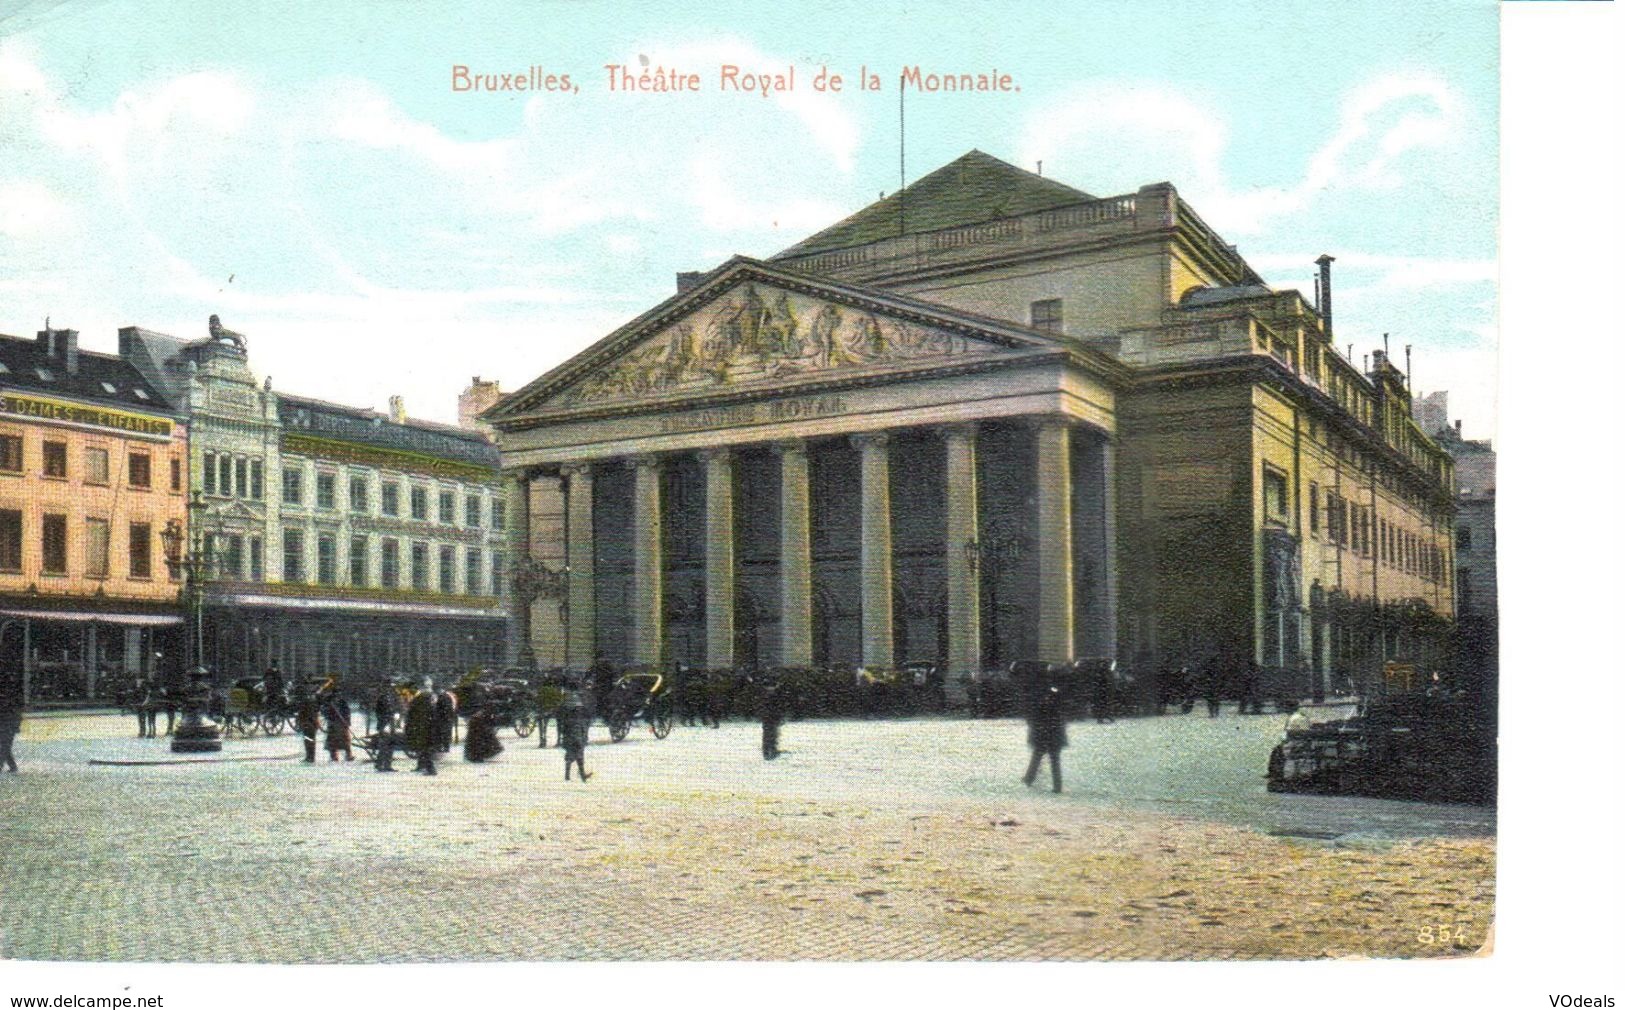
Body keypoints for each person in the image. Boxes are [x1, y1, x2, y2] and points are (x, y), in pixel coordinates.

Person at [1022, 666, 1068, 793]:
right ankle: (1055, 785)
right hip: (1054, 731)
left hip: (1045, 730)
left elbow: (1038, 710)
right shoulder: (1057, 690)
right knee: (1052, 759)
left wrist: (1034, 721)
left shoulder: (1044, 691)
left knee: (1039, 755)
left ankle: (1030, 778)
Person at [559, 683, 592, 782]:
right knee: (579, 755)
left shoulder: (567, 699)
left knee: (571, 755)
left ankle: (569, 775)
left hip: (570, 735)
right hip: (576, 736)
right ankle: (580, 775)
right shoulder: (577, 704)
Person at [406, 679, 439, 775]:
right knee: (423, 747)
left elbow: (412, 713)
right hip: (426, 726)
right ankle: (421, 765)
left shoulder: (421, 698)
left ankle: (431, 769)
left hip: (422, 727)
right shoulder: (430, 698)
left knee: (424, 748)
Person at [0, 670, 24, 773]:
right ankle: (12, 766)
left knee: (5, 745)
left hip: (8, 722)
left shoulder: (8, 699)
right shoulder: (11, 697)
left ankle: (3, 766)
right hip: (9, 722)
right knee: (5, 745)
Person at [321, 689, 354, 761]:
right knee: (332, 742)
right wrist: (330, 714)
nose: (338, 697)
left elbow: (347, 712)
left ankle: (349, 755)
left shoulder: (343, 702)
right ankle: (334, 756)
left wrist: (347, 722)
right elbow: (324, 712)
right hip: (333, 723)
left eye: (339, 695)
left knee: (345, 741)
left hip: (342, 723)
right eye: (336, 695)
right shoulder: (328, 703)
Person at [294, 682, 322, 763]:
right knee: (310, 741)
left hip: (308, 724)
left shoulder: (304, 702)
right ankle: (310, 756)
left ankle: (310, 757)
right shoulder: (310, 700)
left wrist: (301, 723)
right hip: (311, 723)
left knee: (308, 741)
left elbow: (303, 714)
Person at [759, 679, 785, 760]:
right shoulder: (774, 696)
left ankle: (767, 751)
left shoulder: (763, 695)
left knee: (768, 735)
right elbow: (778, 708)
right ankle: (771, 751)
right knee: (772, 735)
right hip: (771, 718)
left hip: (767, 718)